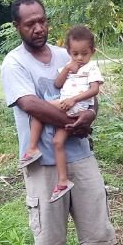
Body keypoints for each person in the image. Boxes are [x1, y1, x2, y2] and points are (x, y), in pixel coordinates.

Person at [0, 0, 123, 245]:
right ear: (17, 27)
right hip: (42, 158)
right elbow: (31, 104)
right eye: (30, 24)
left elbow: (91, 97)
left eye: (42, 20)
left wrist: (89, 117)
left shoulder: (66, 54)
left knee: (96, 208)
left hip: (79, 150)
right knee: (50, 223)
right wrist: (73, 122)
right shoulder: (14, 63)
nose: (38, 28)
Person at [20, 25, 104, 203]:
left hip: (76, 108)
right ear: (69, 52)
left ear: (92, 52)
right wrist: (67, 69)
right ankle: (63, 180)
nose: (80, 58)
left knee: (39, 110)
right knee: (57, 141)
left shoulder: (92, 68)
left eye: (84, 54)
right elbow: (58, 84)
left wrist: (75, 99)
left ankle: (33, 148)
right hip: (68, 106)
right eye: (75, 54)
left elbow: (94, 90)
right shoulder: (69, 65)